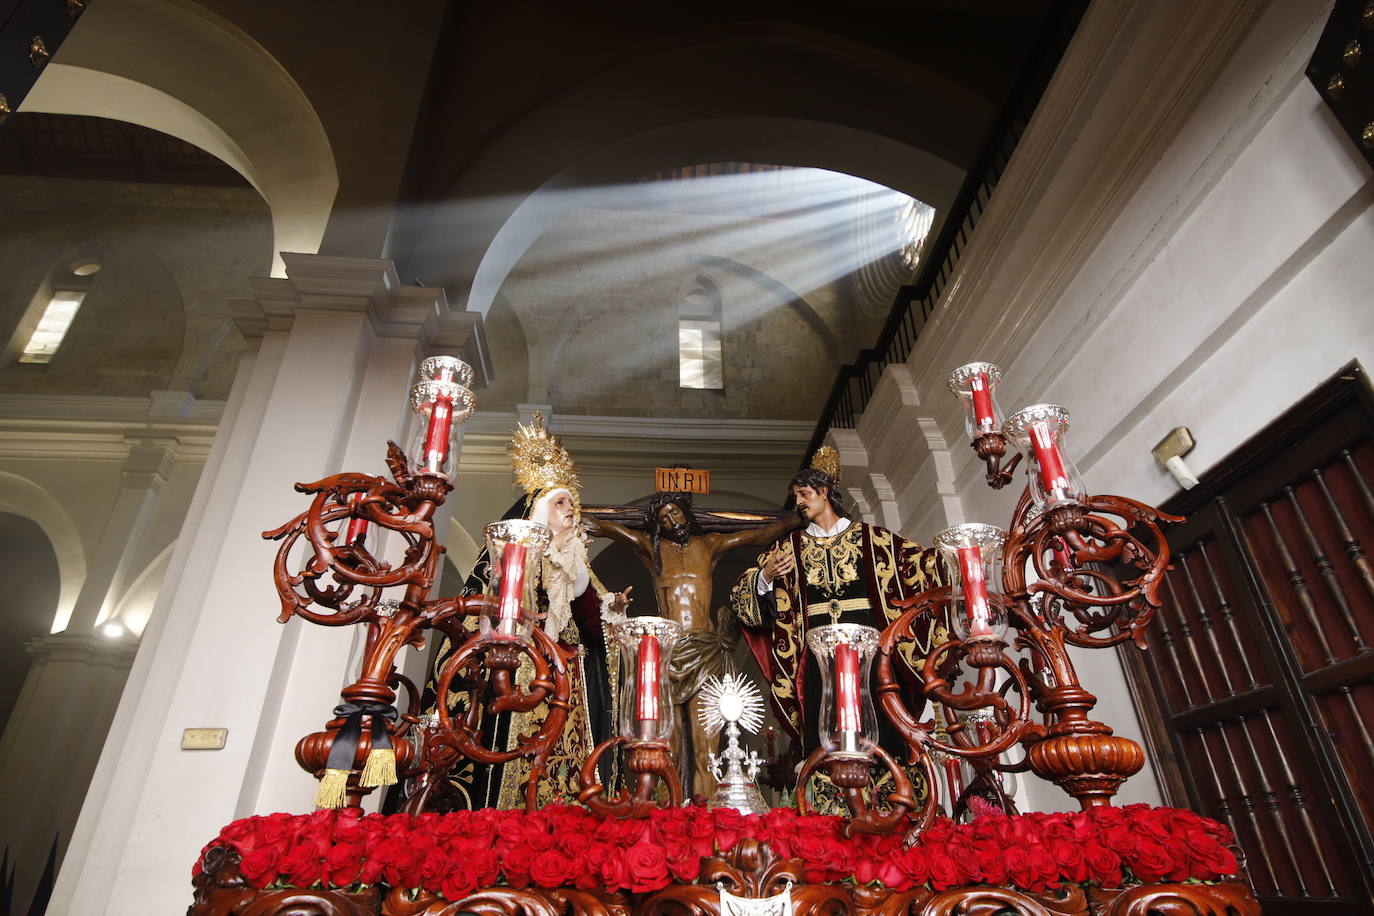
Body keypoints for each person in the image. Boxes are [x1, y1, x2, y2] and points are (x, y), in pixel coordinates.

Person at [421, 415, 629, 810]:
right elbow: (492, 607)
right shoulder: (515, 558)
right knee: (513, 751)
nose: (570, 510)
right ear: (539, 510)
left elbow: (590, 623)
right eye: (560, 503)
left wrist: (609, 609)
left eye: (572, 503)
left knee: (567, 762)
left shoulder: (578, 562)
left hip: (570, 681)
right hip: (519, 667)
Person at [729, 447, 948, 811]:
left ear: (825, 491)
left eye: (804, 494)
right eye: (796, 496)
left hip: (871, 654)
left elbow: (918, 566)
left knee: (882, 718)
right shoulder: (789, 548)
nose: (798, 502)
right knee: (823, 722)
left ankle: (894, 802)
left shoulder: (872, 539)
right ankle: (830, 810)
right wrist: (765, 577)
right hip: (818, 660)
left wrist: (958, 558)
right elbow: (745, 603)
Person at [585, 491, 798, 795]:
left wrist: (797, 518)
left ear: (686, 512)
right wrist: (566, 512)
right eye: (664, 519)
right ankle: (669, 818)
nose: (673, 521)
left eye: (676, 513)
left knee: (706, 749)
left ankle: (704, 818)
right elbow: (607, 529)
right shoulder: (652, 550)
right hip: (669, 652)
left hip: (705, 651)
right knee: (665, 748)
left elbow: (756, 534)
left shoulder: (709, 545)